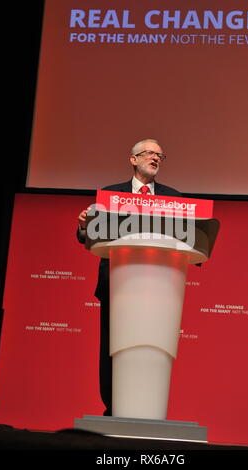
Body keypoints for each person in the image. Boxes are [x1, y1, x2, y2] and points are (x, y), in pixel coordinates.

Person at [77, 138, 181, 416]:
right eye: (149, 153)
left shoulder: (174, 198)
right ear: (133, 159)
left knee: (152, 347)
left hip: (160, 287)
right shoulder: (110, 195)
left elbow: (186, 236)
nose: (156, 158)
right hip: (117, 283)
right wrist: (84, 226)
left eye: (160, 155)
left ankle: (148, 408)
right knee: (113, 346)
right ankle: (113, 407)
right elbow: (88, 236)